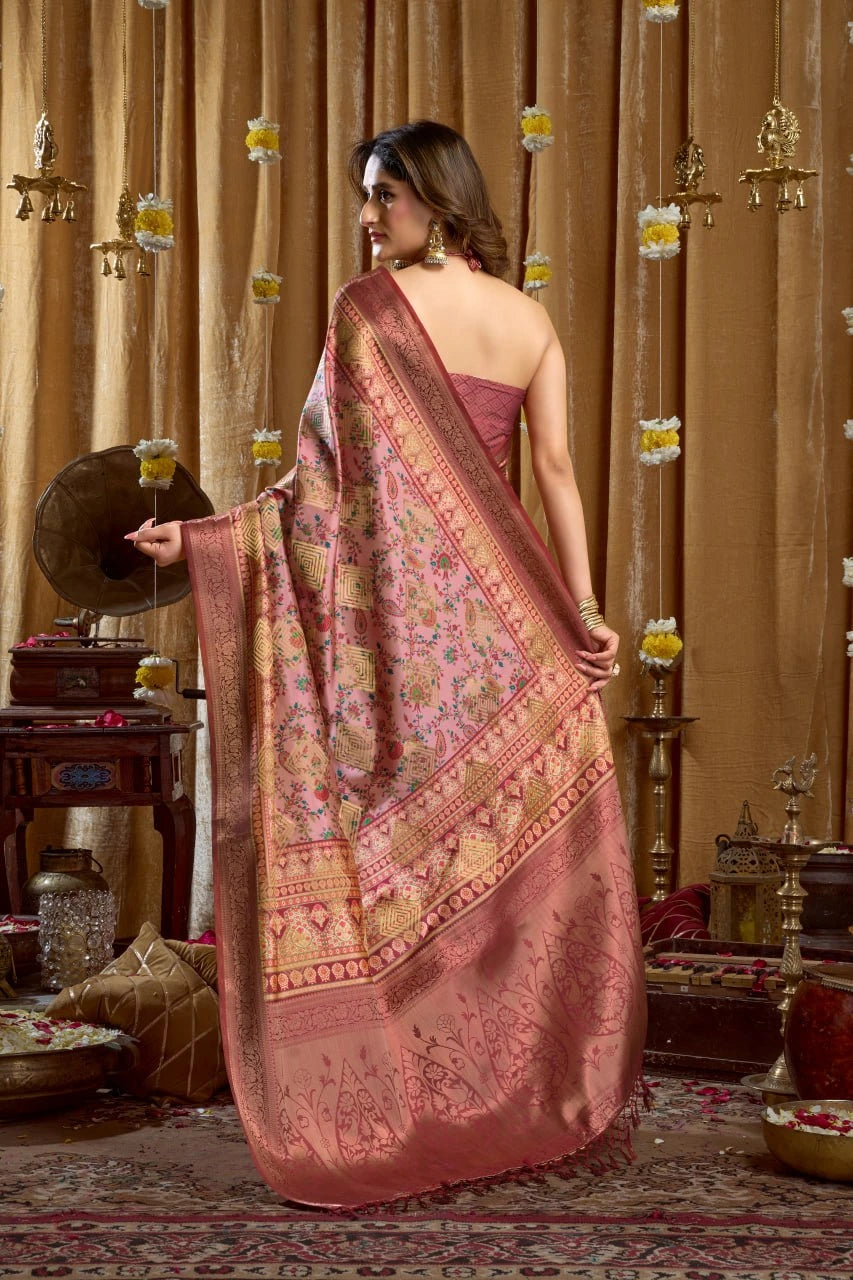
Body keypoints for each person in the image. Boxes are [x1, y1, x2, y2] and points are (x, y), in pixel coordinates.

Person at [127, 121, 645, 1208]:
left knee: (392, 861)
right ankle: (500, 1090)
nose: (367, 218)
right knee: (487, 875)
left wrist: (209, 541)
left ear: (439, 202)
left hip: (404, 642)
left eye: (384, 197)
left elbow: (319, 493)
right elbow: (555, 473)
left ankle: (421, 1096)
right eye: (366, 197)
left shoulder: (370, 316)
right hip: (507, 631)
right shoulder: (529, 320)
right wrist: (582, 610)